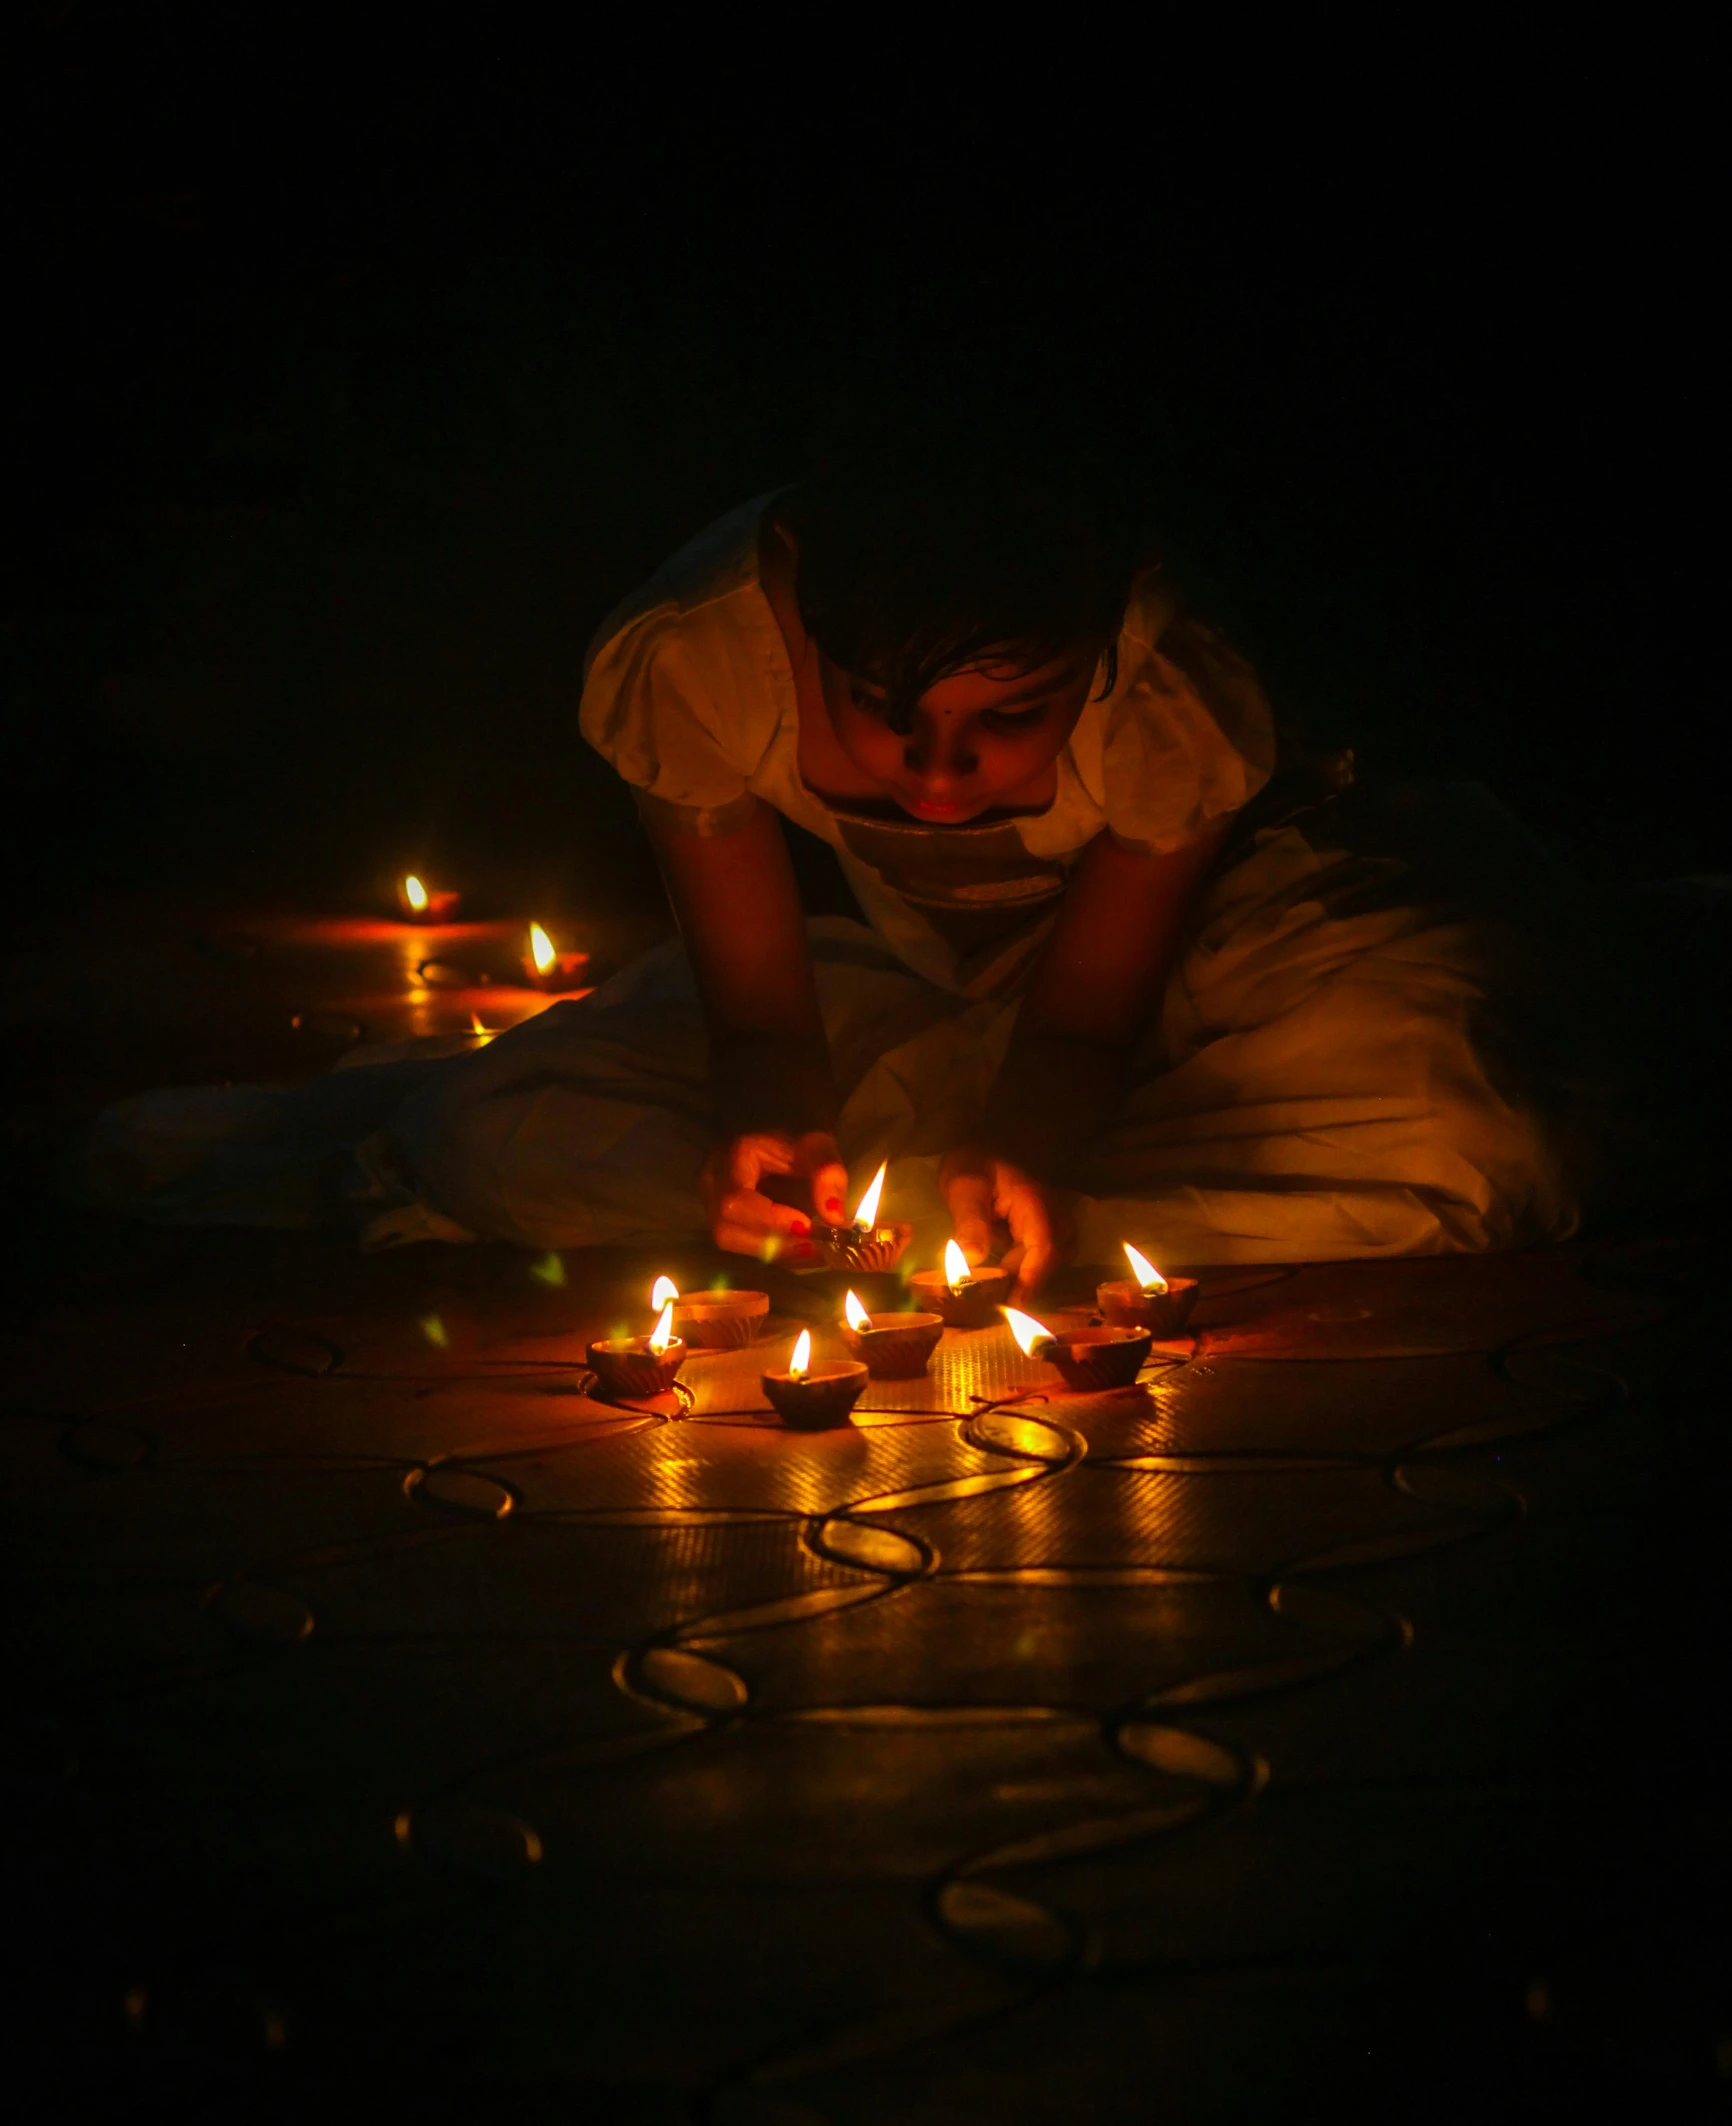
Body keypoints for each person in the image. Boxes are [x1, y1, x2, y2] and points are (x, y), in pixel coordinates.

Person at [75, 374, 1591, 1289]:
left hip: (1258, 969)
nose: (940, 783)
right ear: (809, 612)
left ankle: (994, 1219)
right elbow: (758, 1016)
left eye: (1010, 722)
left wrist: (1021, 1149)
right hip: (936, 978)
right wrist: (770, 1141)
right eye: (883, 713)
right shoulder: (694, 657)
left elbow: (1083, 1027)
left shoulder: (1170, 689)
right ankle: (952, 1223)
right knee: (485, 1130)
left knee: (1478, 1139)